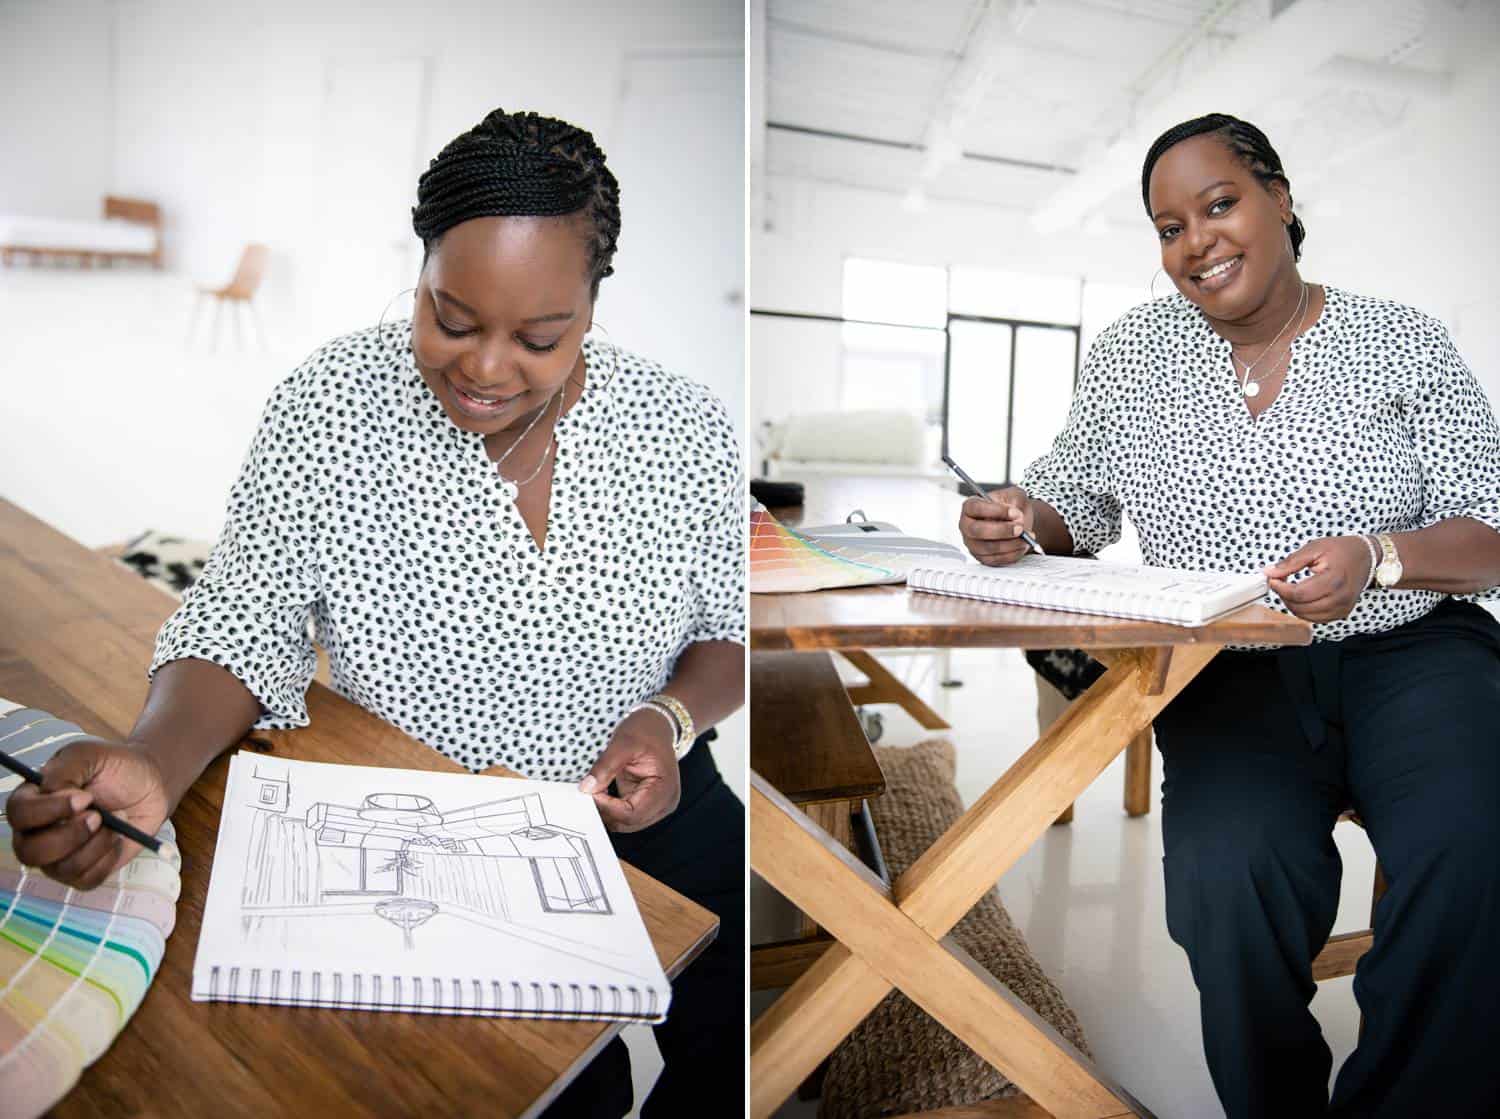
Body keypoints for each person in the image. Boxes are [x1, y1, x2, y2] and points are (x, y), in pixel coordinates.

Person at [4, 108, 745, 1118]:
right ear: (423, 266)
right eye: (449, 317)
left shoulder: (682, 426)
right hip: (424, 827)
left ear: (592, 306)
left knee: (746, 1025)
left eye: (538, 338)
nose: (484, 368)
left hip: (649, 794)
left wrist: (668, 722)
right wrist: (155, 762)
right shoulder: (330, 406)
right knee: (553, 1085)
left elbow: (728, 630)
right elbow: (241, 621)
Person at [958, 112, 1500, 1118]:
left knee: (1474, 849)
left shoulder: (1402, 341)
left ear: (1281, 199)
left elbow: (1493, 524)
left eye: (1219, 205)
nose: (1195, 242)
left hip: (1415, 650)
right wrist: (1019, 517)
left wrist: (1380, 557)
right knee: (1226, 878)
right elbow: (1074, 498)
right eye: (1169, 227)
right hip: (1231, 665)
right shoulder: (1134, 356)